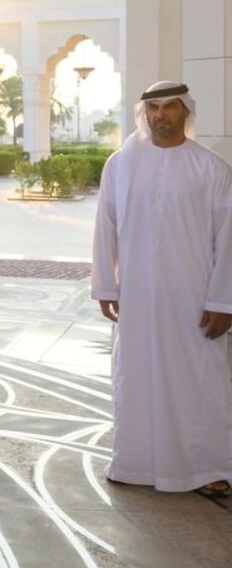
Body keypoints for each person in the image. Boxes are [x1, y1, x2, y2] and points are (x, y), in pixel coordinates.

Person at [91, 80, 232, 498]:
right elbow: (106, 228)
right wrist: (105, 286)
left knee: (200, 379)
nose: (161, 116)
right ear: (144, 113)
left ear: (185, 112)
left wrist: (223, 301)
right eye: (153, 108)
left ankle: (206, 467)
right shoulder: (120, 164)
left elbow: (228, 239)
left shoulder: (212, 168)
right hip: (137, 295)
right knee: (136, 375)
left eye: (170, 107)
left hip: (194, 296)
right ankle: (135, 463)